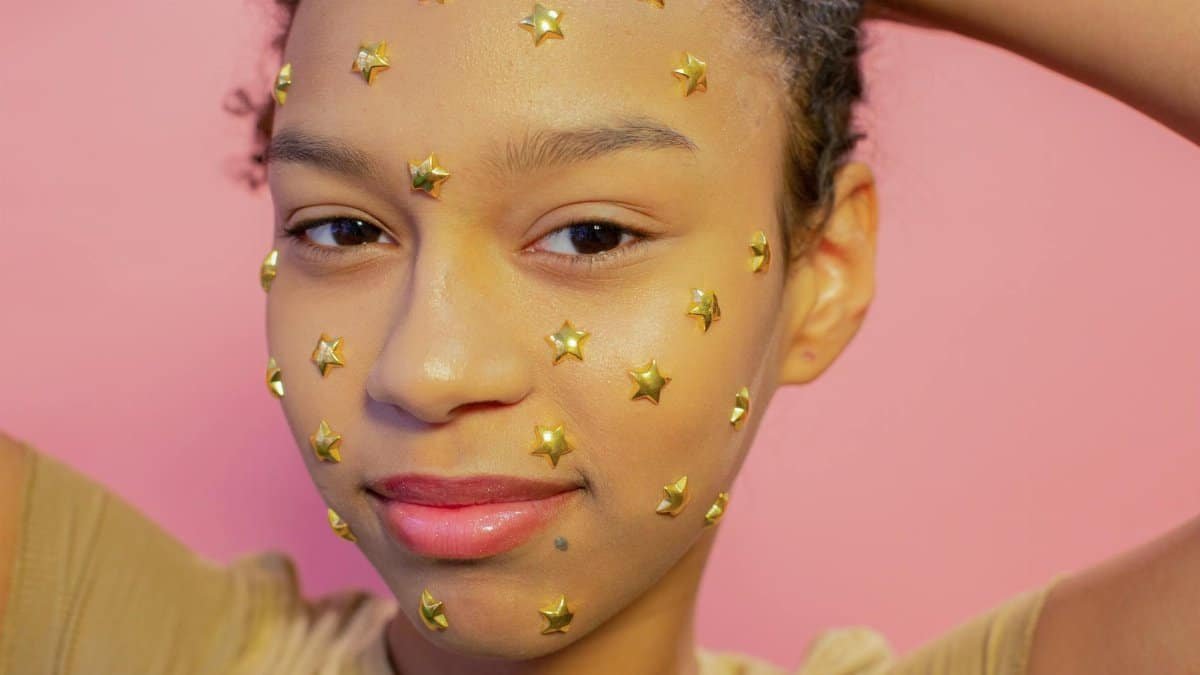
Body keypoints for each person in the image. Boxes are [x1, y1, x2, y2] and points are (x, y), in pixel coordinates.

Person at [1, 0, 1197, 673]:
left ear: (821, 273)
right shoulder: (107, 640)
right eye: (342, 226)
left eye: (586, 238)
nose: (428, 370)